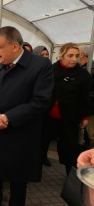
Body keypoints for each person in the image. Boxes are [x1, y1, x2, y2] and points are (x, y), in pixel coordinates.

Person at [0, 26, 54, 206]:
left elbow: (41, 101)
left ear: (14, 46)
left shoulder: (40, 66)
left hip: (20, 136)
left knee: (18, 187)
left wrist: (7, 118)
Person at [43, 43, 91, 175]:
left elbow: (85, 98)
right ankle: (38, 166)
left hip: (70, 119)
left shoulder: (83, 75)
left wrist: (85, 117)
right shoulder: (50, 71)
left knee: (69, 148)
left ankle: (70, 176)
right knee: (42, 144)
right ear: (61, 56)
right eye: (70, 56)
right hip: (48, 117)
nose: (74, 59)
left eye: (77, 56)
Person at [33, 45, 52, 167]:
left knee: (45, 136)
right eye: (42, 55)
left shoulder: (51, 69)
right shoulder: (32, 70)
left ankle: (43, 156)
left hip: (47, 110)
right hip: (35, 111)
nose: (45, 57)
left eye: (47, 55)